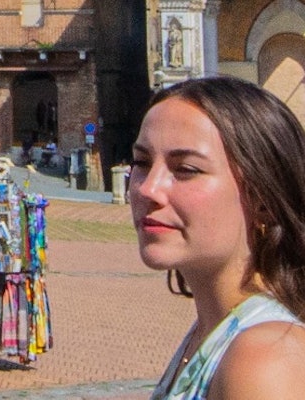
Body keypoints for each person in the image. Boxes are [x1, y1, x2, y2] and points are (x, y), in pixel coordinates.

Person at [129, 76, 305, 399]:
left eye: (186, 169)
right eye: (141, 162)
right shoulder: (212, 330)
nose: (148, 188)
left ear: (262, 202)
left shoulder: (264, 359)